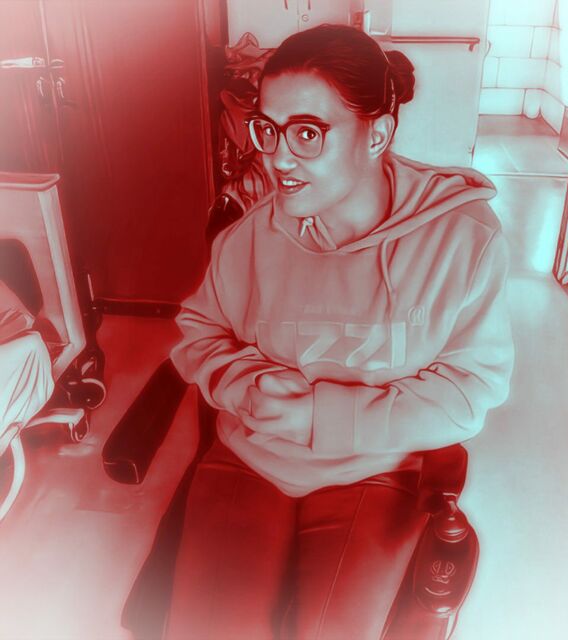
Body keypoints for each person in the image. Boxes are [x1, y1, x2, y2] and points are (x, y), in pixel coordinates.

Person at [165, 24, 514, 640]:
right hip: (252, 457)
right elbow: (199, 333)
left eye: (307, 132)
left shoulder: (461, 241)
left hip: (376, 469)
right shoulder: (246, 239)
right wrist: (241, 386)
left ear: (377, 134)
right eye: (268, 129)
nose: (278, 158)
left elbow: (469, 389)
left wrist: (320, 416)